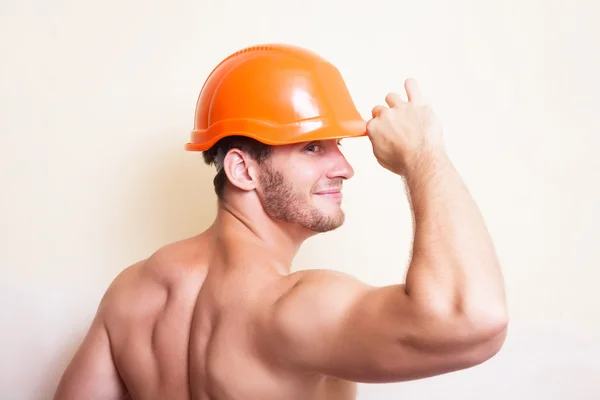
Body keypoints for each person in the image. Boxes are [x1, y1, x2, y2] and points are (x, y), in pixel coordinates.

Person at [53, 44, 508, 400]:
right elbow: (474, 317)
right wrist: (423, 154)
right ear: (242, 170)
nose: (345, 168)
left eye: (336, 145)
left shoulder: (130, 294)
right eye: (312, 147)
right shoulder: (295, 308)